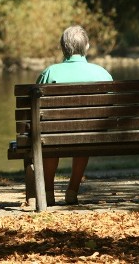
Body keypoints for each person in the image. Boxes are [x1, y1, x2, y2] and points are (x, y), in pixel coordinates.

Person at [33, 25, 112, 206]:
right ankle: (72, 190)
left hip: (52, 136)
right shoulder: (101, 73)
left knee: (49, 133)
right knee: (84, 135)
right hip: (90, 136)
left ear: (63, 48)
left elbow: (35, 111)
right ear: (87, 47)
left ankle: (48, 192)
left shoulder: (50, 73)